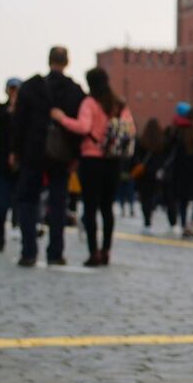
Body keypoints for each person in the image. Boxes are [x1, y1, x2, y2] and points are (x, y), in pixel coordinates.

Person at [13, 47, 87, 267]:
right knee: (58, 203)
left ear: (49, 61)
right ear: (67, 62)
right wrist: (74, 155)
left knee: (27, 200)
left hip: (32, 152)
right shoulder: (74, 90)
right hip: (61, 154)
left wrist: (17, 151)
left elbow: (18, 123)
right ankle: (55, 252)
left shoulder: (31, 87)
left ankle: (29, 251)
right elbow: (78, 128)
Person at [52, 67, 132, 267]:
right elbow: (129, 129)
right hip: (113, 160)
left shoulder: (89, 103)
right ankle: (106, 251)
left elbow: (84, 127)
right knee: (107, 208)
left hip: (91, 159)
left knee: (90, 206)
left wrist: (61, 118)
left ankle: (93, 252)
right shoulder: (119, 104)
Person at [159, 105, 193, 239]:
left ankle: (186, 224)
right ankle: (190, 222)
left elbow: (168, 147)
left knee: (184, 199)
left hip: (183, 170)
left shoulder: (180, 131)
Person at [135, 116, 166, 230]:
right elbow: (163, 158)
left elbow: (136, 157)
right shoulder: (161, 141)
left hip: (143, 173)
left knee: (145, 196)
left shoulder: (142, 140)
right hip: (156, 173)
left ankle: (147, 218)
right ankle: (151, 210)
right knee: (154, 194)